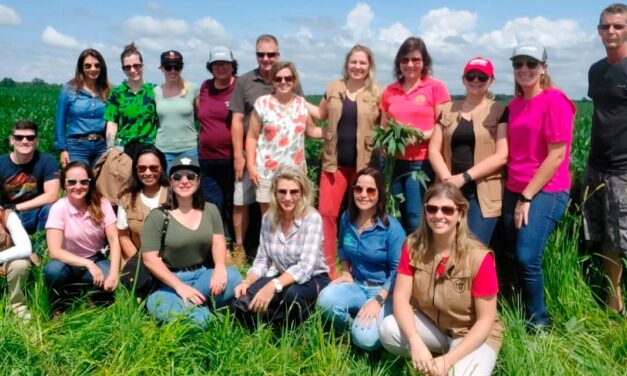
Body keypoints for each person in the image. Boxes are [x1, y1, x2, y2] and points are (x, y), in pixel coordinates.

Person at [379, 182, 504, 375]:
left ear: (460, 214)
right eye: (432, 209)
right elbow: (401, 298)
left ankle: (452, 357)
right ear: (425, 212)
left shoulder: (479, 257)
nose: (439, 215)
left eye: (447, 210)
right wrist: (415, 340)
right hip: (433, 327)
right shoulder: (412, 246)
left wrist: (448, 361)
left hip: (469, 333)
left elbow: (485, 321)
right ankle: (433, 352)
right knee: (388, 329)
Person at [502, 41, 574, 329]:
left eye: (532, 64)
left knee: (527, 255)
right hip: (513, 187)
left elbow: (556, 155)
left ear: (544, 68)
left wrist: (527, 197)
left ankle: (538, 324)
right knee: (509, 252)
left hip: (547, 189)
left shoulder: (556, 100)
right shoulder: (514, 105)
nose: (525, 69)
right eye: (518, 64)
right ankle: (514, 309)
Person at [140, 156, 242, 328]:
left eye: (191, 176)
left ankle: (199, 306)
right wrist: (179, 286)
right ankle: (206, 315)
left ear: (198, 181)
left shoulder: (210, 209)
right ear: (170, 182)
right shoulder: (157, 216)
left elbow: (218, 242)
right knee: (192, 320)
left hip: (202, 275)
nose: (184, 181)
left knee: (233, 277)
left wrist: (219, 267)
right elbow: (150, 259)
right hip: (169, 282)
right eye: (178, 177)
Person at [229, 34, 304, 260]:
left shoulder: (289, 79)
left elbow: (301, 114)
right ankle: (241, 248)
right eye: (261, 54)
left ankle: (283, 249)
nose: (266, 58)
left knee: (281, 204)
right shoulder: (244, 81)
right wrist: (239, 156)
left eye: (270, 54)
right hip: (250, 153)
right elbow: (236, 120)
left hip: (282, 159)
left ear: (278, 55)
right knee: (241, 201)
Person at [318, 167, 405, 351]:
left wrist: (379, 300)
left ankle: (364, 330)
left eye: (371, 190)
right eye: (358, 189)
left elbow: (399, 271)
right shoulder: (346, 219)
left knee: (365, 340)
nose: (363, 195)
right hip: (356, 284)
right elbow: (341, 246)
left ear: (380, 194)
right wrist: (345, 271)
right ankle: (350, 329)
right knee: (325, 300)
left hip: (383, 291)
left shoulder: (392, 228)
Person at [231, 166, 329, 328]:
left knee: (292, 295)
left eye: (294, 192)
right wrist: (247, 282)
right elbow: (262, 261)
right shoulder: (268, 219)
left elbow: (305, 267)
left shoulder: (312, 218)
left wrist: (272, 286)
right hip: (281, 276)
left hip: (312, 279)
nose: (288, 197)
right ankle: (279, 320)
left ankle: (296, 325)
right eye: (282, 192)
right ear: (274, 194)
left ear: (302, 193)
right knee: (241, 302)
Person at [315, 44, 381, 278]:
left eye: (362, 63)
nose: (357, 66)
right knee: (327, 214)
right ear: (347, 64)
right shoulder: (333, 87)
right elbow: (319, 115)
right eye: (354, 62)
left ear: (369, 66)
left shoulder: (377, 94)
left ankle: (358, 266)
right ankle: (329, 267)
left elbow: (384, 129)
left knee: (360, 215)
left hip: (364, 166)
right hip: (334, 163)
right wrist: (295, 102)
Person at [429, 57, 508, 246]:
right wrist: (448, 180)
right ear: (463, 79)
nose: (476, 81)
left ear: (491, 81)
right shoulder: (447, 109)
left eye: (482, 77)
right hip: (449, 190)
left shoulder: (499, 110)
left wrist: (463, 177)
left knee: (473, 247)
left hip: (483, 192)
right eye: (471, 76)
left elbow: (502, 155)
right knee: (446, 244)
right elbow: (433, 149)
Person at [380, 37, 451, 233]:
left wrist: (420, 136)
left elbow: (443, 125)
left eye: (415, 60)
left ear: (424, 62)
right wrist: (385, 143)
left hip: (420, 163)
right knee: (395, 212)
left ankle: (418, 257)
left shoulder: (436, 87)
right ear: (398, 63)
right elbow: (384, 125)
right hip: (394, 162)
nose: (410, 64)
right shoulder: (389, 90)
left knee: (414, 216)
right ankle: (401, 255)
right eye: (405, 60)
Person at [585, 3, 627, 316]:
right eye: (605, 26)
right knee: (602, 236)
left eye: (618, 26)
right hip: (596, 164)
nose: (611, 32)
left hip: (624, 169)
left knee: (622, 238)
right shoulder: (596, 70)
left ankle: (616, 303)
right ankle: (613, 298)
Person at [245, 61, 322, 214]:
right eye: (278, 79)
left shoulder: (301, 104)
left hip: (295, 172)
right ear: (272, 81)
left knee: (294, 216)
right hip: (266, 173)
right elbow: (252, 137)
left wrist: (337, 130)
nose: (283, 82)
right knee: (268, 219)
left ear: (294, 81)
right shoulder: (262, 104)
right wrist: (251, 166)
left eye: (288, 78)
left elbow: (312, 131)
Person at [44, 161, 121, 311]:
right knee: (53, 271)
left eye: (84, 182)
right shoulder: (59, 208)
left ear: (90, 183)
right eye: (72, 182)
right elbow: (55, 250)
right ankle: (59, 306)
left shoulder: (103, 204)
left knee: (108, 283)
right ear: (64, 185)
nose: (78, 186)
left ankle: (88, 295)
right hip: (66, 262)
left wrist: (113, 273)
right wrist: (87, 264)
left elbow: (114, 240)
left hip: (95, 257)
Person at [197, 46, 240, 263]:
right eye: (216, 64)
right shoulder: (204, 87)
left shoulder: (240, 86)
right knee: (213, 205)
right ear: (210, 67)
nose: (221, 67)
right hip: (207, 158)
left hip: (234, 158)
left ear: (233, 65)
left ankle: (238, 246)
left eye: (225, 63)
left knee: (235, 204)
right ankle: (222, 248)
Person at [0, 120, 60, 234]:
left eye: (30, 138)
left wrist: (16, 207)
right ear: (11, 140)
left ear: (36, 141)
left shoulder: (47, 161)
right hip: (7, 217)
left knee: (53, 208)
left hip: (36, 214)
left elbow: (52, 195)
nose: (25, 141)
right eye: (19, 137)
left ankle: (40, 248)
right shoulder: (1, 163)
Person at [55, 48, 111, 167]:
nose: (93, 69)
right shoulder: (68, 89)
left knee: (101, 184)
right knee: (79, 182)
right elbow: (60, 121)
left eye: (97, 65)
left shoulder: (109, 90)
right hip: (76, 146)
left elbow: (114, 121)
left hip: (102, 146)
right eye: (88, 66)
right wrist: (62, 149)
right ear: (81, 68)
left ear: (102, 67)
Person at [104, 42, 158, 160]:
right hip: (123, 148)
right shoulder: (117, 92)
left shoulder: (155, 91)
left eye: (136, 65)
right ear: (123, 69)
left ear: (142, 66)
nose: (133, 70)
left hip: (148, 148)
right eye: (127, 67)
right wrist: (110, 148)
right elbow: (112, 122)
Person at [117, 146, 169, 261]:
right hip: (140, 261)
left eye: (153, 168)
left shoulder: (174, 195)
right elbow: (123, 235)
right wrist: (138, 263)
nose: (147, 173)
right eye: (142, 168)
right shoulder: (126, 198)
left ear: (162, 168)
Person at [154, 50, 200, 170]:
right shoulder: (155, 92)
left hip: (189, 149)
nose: (173, 71)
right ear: (161, 68)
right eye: (168, 67)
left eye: (177, 67)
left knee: (189, 186)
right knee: (166, 187)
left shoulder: (194, 89)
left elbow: (203, 117)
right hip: (163, 149)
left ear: (182, 68)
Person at [0, 182, 33, 322]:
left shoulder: (7, 216)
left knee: (20, 264)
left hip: (6, 266)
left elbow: (25, 247)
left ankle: (18, 308)